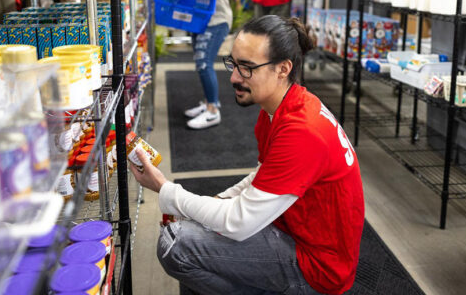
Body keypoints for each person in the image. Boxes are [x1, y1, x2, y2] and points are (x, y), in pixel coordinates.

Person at [130, 15, 365, 295]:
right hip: (291, 229)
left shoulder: (301, 131)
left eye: (247, 68)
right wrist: (213, 202)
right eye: (233, 63)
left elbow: (238, 223)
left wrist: (165, 190)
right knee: (195, 226)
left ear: (283, 69)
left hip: (316, 267)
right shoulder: (280, 107)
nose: (233, 77)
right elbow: (262, 176)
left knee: (176, 244)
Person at [149, 0, 232, 130]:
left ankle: (213, 111)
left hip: (217, 21)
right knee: (201, 63)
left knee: (204, 64)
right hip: (201, 20)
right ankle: (208, 103)